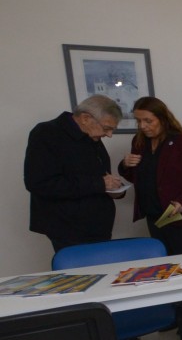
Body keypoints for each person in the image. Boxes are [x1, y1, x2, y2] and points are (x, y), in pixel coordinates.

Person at [119, 96, 182, 329]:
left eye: (148, 121)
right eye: (139, 121)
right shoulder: (138, 142)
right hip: (153, 213)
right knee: (163, 264)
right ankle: (174, 310)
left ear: (162, 118)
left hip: (179, 213)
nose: (143, 126)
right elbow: (136, 176)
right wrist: (124, 165)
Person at [24, 94, 124, 251]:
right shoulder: (47, 133)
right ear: (85, 118)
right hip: (67, 226)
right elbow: (39, 183)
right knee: (82, 275)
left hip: (98, 225)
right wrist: (100, 184)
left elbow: (100, 175)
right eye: (107, 128)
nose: (109, 135)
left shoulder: (90, 136)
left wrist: (115, 189)